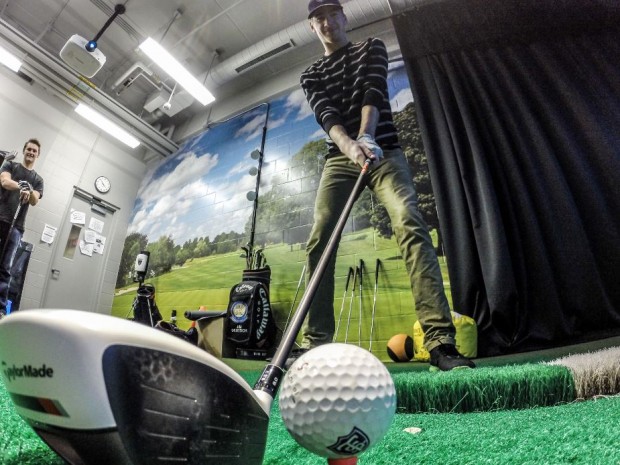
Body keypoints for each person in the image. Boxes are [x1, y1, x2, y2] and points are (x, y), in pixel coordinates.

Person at [298, 0, 475, 371]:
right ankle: (315, 344)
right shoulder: (310, 74)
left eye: (333, 14)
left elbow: (372, 92)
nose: (327, 22)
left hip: (384, 150)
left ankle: (441, 342)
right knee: (319, 238)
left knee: (409, 222)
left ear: (344, 17)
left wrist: (366, 138)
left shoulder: (371, 47)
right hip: (339, 159)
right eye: (319, 18)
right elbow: (325, 114)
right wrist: (349, 146)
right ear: (312, 27)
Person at [0, 138, 44, 318]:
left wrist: (29, 191)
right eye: (29, 149)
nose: (31, 153)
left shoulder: (38, 180)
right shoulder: (10, 165)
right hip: (0, 218)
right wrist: (20, 186)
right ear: (24, 150)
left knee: (5, 269)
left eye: (35, 151)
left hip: (16, 226)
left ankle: (1, 309)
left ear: (37, 155)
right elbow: (4, 182)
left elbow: (35, 199)